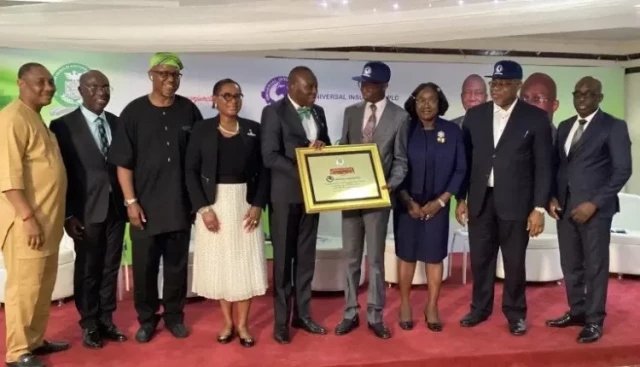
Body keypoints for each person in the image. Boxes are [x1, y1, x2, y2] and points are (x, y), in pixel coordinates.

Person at [107, 53, 203, 343]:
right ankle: (147, 320)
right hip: (144, 208)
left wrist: (198, 202)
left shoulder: (189, 111)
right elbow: (123, 163)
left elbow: (199, 159)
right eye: (163, 74)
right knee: (145, 268)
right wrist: (130, 203)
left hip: (180, 206)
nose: (169, 80)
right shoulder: (133, 112)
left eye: (174, 75)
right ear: (151, 75)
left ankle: (174, 316)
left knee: (176, 267)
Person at [456, 60, 552, 336]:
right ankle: (480, 309)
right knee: (481, 260)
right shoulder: (475, 116)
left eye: (503, 84)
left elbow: (544, 166)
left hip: (517, 204)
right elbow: (467, 161)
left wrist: (538, 208)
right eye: (494, 84)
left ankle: (515, 313)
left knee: (513, 263)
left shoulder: (535, 118)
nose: (497, 89)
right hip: (480, 201)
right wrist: (460, 198)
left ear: (517, 85)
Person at [546, 77, 632, 343]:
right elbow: (557, 166)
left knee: (595, 266)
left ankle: (594, 321)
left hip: (595, 210)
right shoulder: (564, 126)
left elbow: (622, 170)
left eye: (589, 94)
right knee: (570, 265)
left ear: (599, 98)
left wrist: (593, 203)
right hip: (564, 208)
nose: (582, 98)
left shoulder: (613, 126)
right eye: (578, 93)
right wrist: (551, 197)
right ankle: (578, 311)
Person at [185, 79, 269, 348]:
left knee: (244, 264)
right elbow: (190, 171)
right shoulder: (202, 130)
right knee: (222, 264)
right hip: (214, 206)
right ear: (214, 99)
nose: (233, 100)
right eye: (226, 96)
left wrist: (258, 204)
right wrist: (203, 209)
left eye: (237, 96)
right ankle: (227, 323)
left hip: (246, 206)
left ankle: (243, 325)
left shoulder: (254, 130)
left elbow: (265, 171)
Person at [49, 70, 128, 349]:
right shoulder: (62, 127)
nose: (101, 92)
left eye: (106, 87)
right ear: (80, 91)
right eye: (94, 87)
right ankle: (89, 323)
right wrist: (68, 214)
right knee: (88, 269)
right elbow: (60, 174)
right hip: (84, 212)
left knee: (110, 267)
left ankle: (107, 319)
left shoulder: (118, 124)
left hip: (117, 210)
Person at [0, 63, 69, 367]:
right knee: (24, 288)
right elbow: (7, 179)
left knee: (42, 287)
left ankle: (35, 341)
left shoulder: (38, 119)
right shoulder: (12, 119)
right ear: (21, 84)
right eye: (40, 82)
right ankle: (17, 353)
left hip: (48, 224)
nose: (48, 88)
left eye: (51, 82)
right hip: (26, 224)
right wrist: (27, 219)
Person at [334, 61, 409, 340]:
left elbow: (401, 161)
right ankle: (350, 313)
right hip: (351, 197)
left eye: (371, 84)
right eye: (362, 83)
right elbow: (343, 149)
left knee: (376, 260)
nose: (365, 88)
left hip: (379, 199)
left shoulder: (400, 117)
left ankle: (375, 315)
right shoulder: (350, 112)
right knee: (351, 258)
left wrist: (389, 185)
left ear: (384, 86)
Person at [261, 66, 331, 344]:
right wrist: (304, 166)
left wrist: (321, 150)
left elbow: (320, 147)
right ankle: (281, 322)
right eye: (309, 87)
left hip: (313, 198)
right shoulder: (273, 112)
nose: (314, 92)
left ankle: (303, 314)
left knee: (305, 260)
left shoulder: (319, 112)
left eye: (315, 87)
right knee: (282, 263)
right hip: (283, 197)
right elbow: (269, 156)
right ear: (291, 86)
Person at [394, 83, 466, 332]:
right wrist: (406, 200)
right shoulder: (404, 129)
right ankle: (404, 304)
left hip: (439, 205)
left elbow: (460, 169)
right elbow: (396, 167)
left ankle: (432, 305)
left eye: (432, 100)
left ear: (440, 102)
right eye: (421, 100)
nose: (426, 104)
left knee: (434, 257)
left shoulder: (452, 131)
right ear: (414, 103)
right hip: (406, 204)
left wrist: (441, 202)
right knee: (406, 255)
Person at [521, 72, 559, 140]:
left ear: (554, 105)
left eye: (536, 99)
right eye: (524, 98)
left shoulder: (562, 144)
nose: (528, 104)